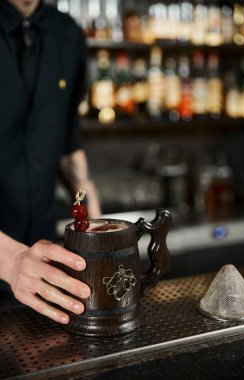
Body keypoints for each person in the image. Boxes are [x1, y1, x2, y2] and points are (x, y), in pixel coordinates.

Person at [0, 0, 101, 324]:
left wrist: (101, 235)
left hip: (42, 276)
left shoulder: (67, 34)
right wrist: (11, 261)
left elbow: (68, 145)